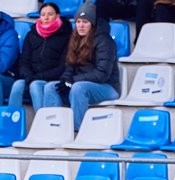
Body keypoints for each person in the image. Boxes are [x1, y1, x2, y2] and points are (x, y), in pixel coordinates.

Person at [42, 2, 121, 131]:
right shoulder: (75, 38)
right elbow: (70, 65)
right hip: (81, 83)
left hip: (107, 87)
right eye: (78, 22)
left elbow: (101, 74)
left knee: (78, 88)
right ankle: (52, 129)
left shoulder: (105, 41)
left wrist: (72, 81)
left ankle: (77, 131)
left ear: (92, 24)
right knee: (51, 87)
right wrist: (65, 80)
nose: (81, 26)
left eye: (85, 22)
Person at [8, 2, 72, 111]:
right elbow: (24, 61)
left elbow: (63, 66)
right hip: (32, 77)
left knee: (35, 85)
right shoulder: (31, 34)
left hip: (52, 78)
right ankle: (11, 123)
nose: (46, 17)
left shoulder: (66, 35)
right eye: (43, 14)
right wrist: (28, 75)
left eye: (50, 14)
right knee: (18, 85)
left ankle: (41, 122)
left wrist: (38, 77)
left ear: (57, 16)